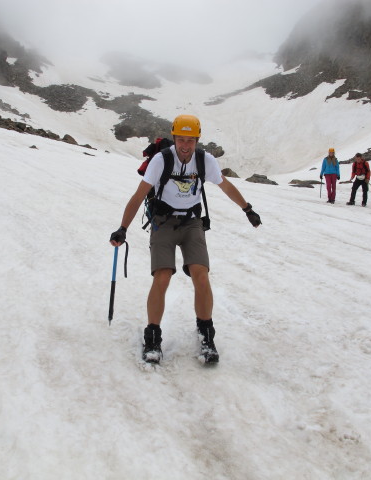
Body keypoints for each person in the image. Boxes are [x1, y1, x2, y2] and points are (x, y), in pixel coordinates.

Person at [109, 114, 261, 364]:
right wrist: (122, 228)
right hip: (164, 222)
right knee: (163, 276)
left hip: (192, 222)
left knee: (201, 274)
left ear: (197, 140)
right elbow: (138, 196)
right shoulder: (162, 160)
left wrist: (247, 209)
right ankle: (153, 337)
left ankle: (206, 334)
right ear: (175, 137)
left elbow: (226, 186)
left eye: (191, 140)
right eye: (181, 139)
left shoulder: (205, 161)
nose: (185, 145)